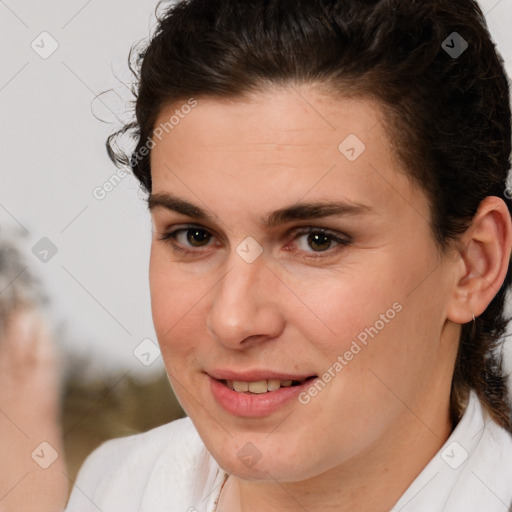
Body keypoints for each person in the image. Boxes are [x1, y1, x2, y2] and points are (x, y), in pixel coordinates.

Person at [64, 0, 512, 510]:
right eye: (193, 235)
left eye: (317, 239)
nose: (233, 320)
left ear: (474, 265)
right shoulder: (118, 487)